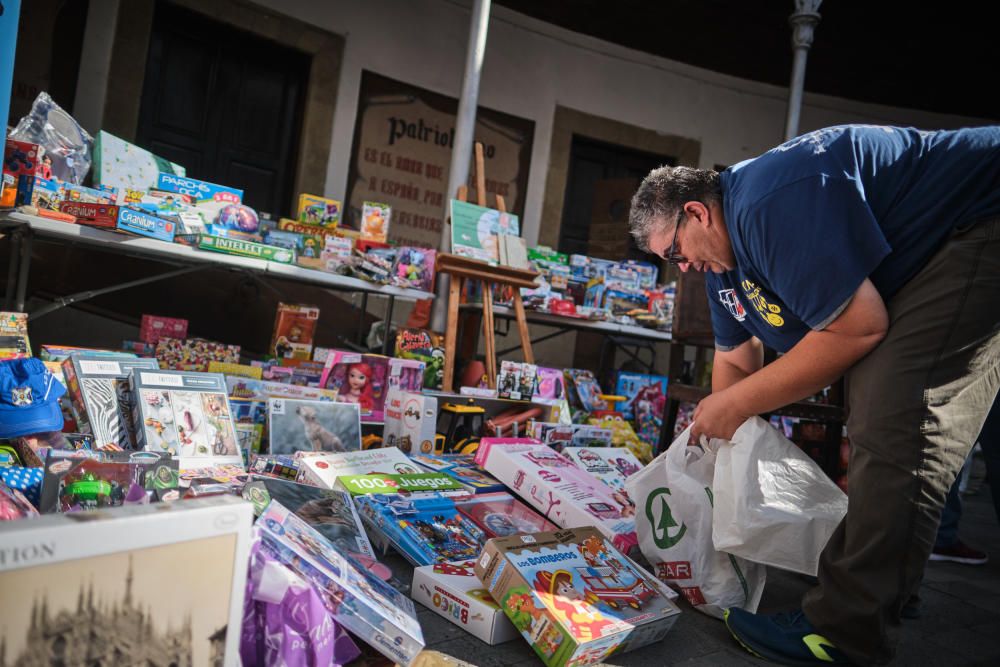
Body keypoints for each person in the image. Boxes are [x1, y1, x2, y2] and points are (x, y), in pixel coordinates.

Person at [628, 125, 1000, 666]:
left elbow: (859, 328)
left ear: (697, 213)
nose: (681, 269)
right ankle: (887, 590)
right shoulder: (722, 265)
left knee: (893, 421)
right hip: (936, 252)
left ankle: (845, 634)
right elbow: (736, 358)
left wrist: (734, 407)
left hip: (978, 220)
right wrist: (725, 442)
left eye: (676, 253)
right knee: (884, 416)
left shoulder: (764, 205)